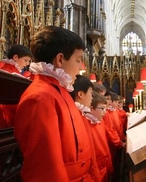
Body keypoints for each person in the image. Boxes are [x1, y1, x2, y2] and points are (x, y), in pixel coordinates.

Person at [14, 26, 99, 182]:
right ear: (60, 59)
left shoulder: (59, 91)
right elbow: (46, 170)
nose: (80, 68)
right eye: (78, 60)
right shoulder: (39, 97)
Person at [0, 45, 33, 128]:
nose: (27, 64)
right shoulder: (7, 71)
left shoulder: (12, 70)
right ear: (15, 57)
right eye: (26, 60)